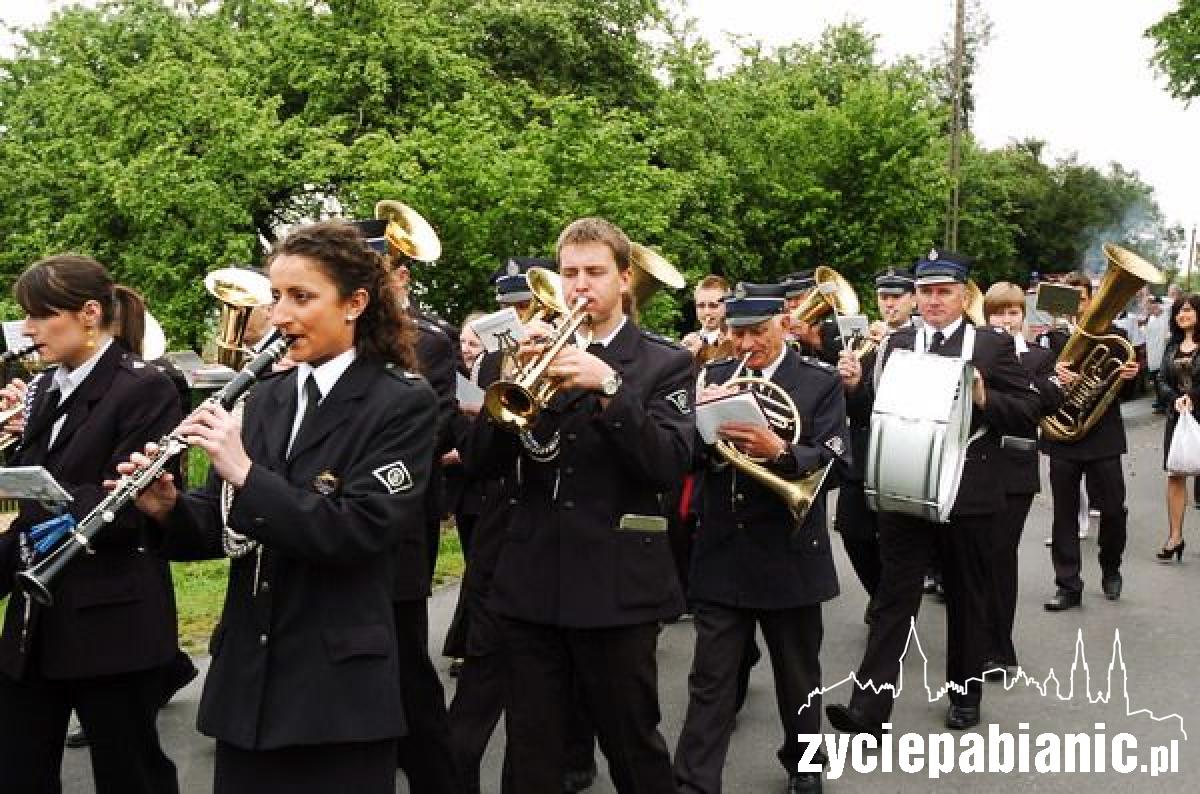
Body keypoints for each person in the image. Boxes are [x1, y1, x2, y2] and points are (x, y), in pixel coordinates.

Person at [122, 220, 438, 793]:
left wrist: (243, 472)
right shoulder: (267, 397)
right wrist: (168, 509)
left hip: (337, 694)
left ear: (356, 303)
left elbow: (358, 531)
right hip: (250, 680)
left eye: (301, 297)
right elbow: (228, 525)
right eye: (275, 297)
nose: (279, 315)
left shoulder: (401, 401)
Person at [465, 217, 693, 793]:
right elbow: (478, 463)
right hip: (532, 582)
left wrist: (610, 388)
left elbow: (667, 464)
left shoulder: (663, 364)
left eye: (595, 272)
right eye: (570, 273)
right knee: (530, 753)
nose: (580, 286)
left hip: (617, 585)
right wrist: (514, 377)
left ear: (623, 279)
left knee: (633, 744)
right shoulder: (524, 353)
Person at [825, 250, 1039, 734]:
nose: (934, 300)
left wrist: (986, 397)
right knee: (893, 598)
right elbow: (873, 410)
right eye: (926, 291)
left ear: (964, 295)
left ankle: (965, 692)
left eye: (944, 292)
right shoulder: (896, 342)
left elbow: (1028, 409)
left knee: (967, 593)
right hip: (904, 487)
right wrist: (855, 387)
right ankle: (868, 708)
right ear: (915, 295)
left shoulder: (990, 345)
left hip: (969, 488)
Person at [0, 254, 183, 794]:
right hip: (37, 616)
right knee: (16, 769)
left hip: (111, 621)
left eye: (38, 315)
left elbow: (128, 509)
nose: (27, 331)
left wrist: (43, 496)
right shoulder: (42, 389)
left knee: (130, 774)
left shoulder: (144, 387)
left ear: (87, 313)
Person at [673, 283, 850, 794]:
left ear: (784, 325)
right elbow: (687, 459)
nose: (746, 344)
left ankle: (805, 763)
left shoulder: (817, 382)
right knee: (710, 679)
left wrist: (783, 451)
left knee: (798, 673)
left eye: (757, 333)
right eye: (738, 333)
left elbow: (838, 459)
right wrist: (700, 429)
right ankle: (694, 782)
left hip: (789, 550)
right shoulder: (716, 374)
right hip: (723, 548)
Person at [352, 210, 463, 794]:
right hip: (324, 535)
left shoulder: (429, 340)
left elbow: (438, 427)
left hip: (395, 532)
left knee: (406, 680)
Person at [1039, 271, 1139, 611]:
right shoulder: (1052, 338)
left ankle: (1111, 565)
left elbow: (1129, 393)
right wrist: (1056, 376)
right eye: (1073, 297)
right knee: (1064, 514)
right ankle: (1068, 585)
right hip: (1064, 435)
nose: (1080, 303)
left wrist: (1127, 378)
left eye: (1085, 297)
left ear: (1093, 299)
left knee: (1113, 509)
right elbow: (1037, 382)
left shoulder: (1116, 336)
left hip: (1103, 435)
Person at [981, 283, 1062, 677]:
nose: (1005, 320)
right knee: (976, 556)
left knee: (1000, 554)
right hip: (975, 464)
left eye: (1013, 313)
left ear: (1023, 317)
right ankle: (977, 639)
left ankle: (1000, 648)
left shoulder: (1040, 356)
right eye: (998, 313)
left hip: (1016, 469)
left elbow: (1048, 400)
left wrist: (1037, 382)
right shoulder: (974, 351)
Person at [835, 267, 915, 618]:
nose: (889, 303)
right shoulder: (862, 345)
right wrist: (851, 385)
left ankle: (893, 605)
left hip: (904, 451)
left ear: (912, 300)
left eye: (896, 297)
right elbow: (854, 408)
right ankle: (881, 593)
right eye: (884, 297)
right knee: (853, 531)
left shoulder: (921, 340)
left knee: (899, 539)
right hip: (864, 448)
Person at [1156, 293, 1200, 561]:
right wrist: (1174, 400)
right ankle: (1175, 537)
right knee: (1175, 476)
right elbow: (1161, 378)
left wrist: (1193, 398)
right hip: (1177, 419)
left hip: (1199, 414)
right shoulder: (1171, 346)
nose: (1181, 315)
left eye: (1187, 310)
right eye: (1178, 312)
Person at [682, 274, 733, 367]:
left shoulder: (737, 342)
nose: (707, 312)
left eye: (713, 305)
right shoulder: (688, 342)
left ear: (727, 306)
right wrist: (685, 357)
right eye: (701, 305)